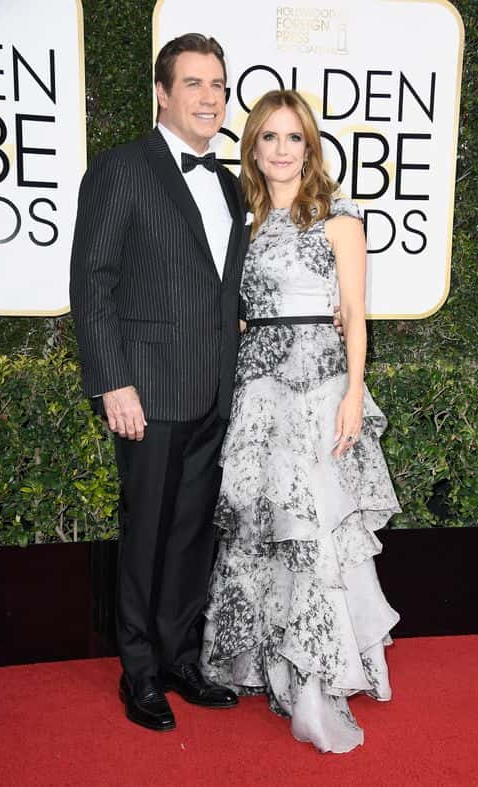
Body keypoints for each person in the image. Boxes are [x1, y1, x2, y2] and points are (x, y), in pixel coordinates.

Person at [200, 90, 401, 753]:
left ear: (310, 147)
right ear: (252, 147)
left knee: (313, 529)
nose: (282, 150)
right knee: (264, 529)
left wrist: (354, 393)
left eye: (294, 138)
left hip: (318, 388)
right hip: (259, 390)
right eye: (269, 138)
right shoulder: (246, 220)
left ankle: (316, 680)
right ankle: (263, 663)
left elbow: (354, 311)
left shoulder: (338, 218)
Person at [69, 34, 248, 731]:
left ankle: (180, 657)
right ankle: (139, 670)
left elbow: (217, 286)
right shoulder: (121, 170)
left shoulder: (229, 181)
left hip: (211, 390)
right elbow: (94, 283)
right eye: (196, 84)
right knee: (145, 533)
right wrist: (113, 381)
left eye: (219, 86)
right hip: (145, 391)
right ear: (163, 93)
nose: (210, 98)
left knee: (190, 533)